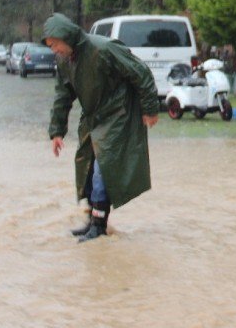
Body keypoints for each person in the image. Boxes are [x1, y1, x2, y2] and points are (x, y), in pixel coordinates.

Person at [43, 13, 159, 242]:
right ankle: (92, 221)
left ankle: (98, 225)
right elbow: (62, 96)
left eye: (55, 44)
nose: (54, 49)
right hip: (93, 116)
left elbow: (141, 72)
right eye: (50, 46)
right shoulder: (64, 61)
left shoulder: (103, 49)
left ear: (66, 37)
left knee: (102, 171)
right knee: (84, 167)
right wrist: (56, 131)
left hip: (118, 114)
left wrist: (150, 109)